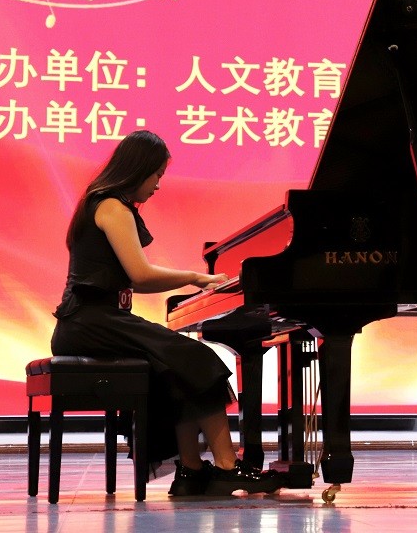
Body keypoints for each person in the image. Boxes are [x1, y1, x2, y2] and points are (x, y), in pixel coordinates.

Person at [51, 129, 281, 496]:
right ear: (138, 169)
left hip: (93, 321)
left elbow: (130, 280)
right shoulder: (111, 206)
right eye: (156, 175)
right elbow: (140, 275)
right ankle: (227, 467)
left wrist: (195, 282)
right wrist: (195, 277)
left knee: (178, 370)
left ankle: (191, 470)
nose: (158, 185)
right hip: (91, 322)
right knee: (198, 358)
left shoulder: (103, 203)